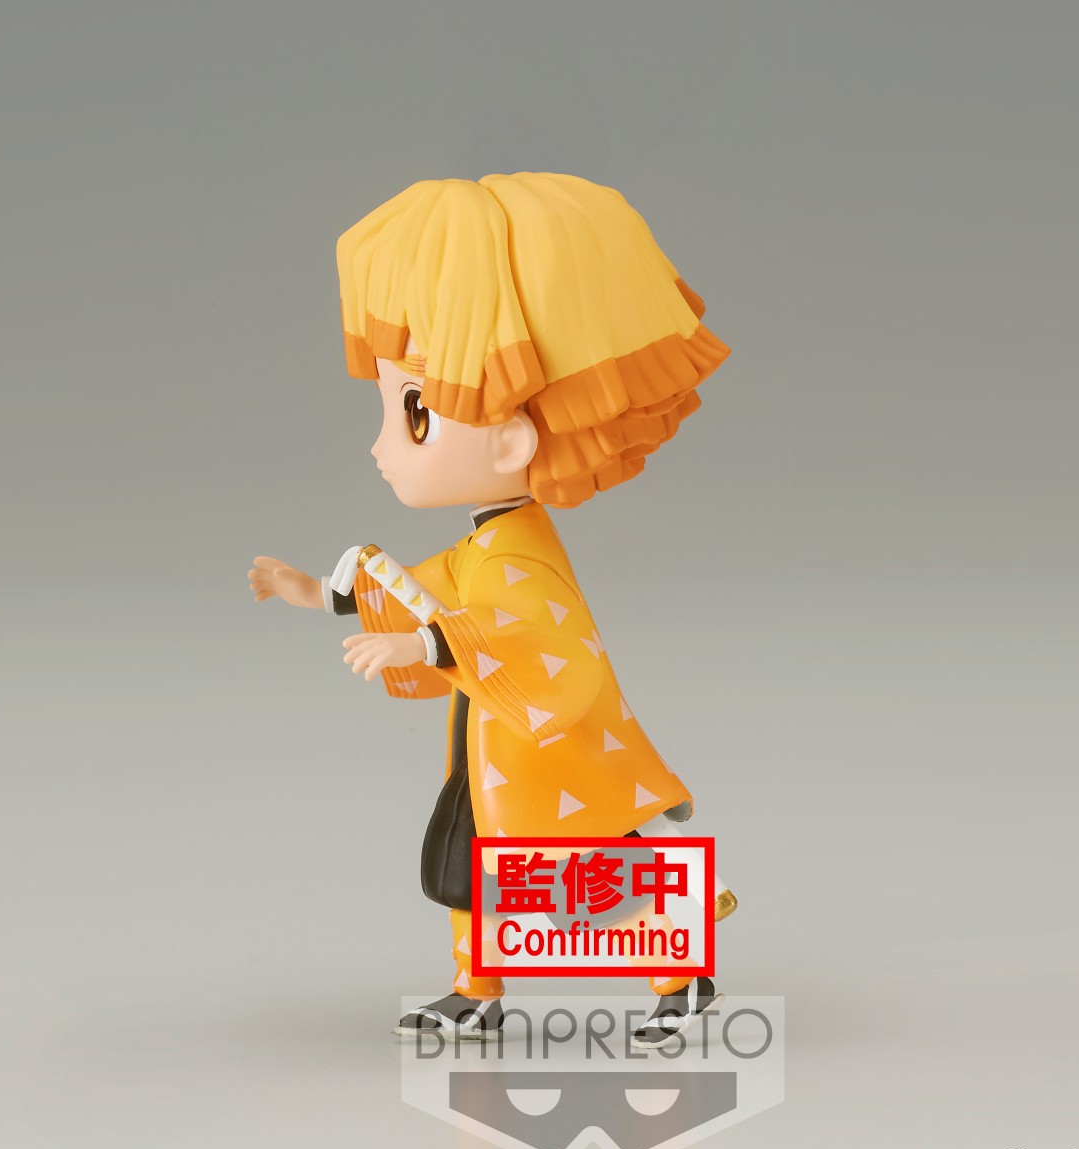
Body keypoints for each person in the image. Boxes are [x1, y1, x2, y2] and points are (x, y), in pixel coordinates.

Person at [249, 173, 731, 1046]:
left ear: (511, 439)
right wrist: (313, 591)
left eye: (414, 414)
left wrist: (428, 647)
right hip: (497, 747)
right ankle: (477, 989)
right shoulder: (486, 545)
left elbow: (534, 635)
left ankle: (681, 981)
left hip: (552, 755)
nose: (382, 443)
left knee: (603, 869)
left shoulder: (518, 553)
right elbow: (418, 586)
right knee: (475, 865)